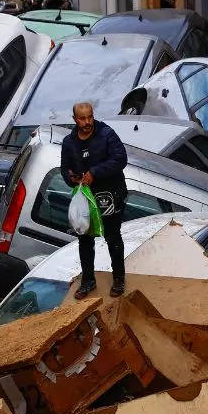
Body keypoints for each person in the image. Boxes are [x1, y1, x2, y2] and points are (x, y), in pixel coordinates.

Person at [61, 102, 128, 299]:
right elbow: (64, 168)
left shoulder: (107, 134)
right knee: (84, 239)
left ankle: (119, 278)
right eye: (82, 118)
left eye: (90, 117)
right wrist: (71, 178)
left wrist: (95, 173)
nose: (87, 122)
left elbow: (120, 158)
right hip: (85, 199)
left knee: (113, 237)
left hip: (109, 195)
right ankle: (88, 280)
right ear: (75, 119)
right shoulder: (69, 142)